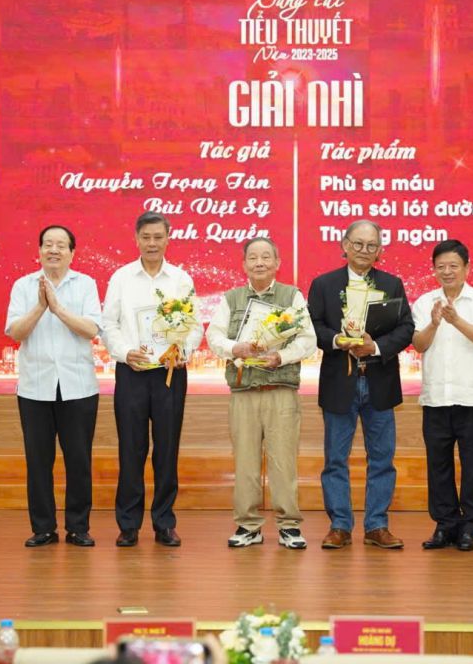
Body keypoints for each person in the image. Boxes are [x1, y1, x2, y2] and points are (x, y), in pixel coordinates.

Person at [307, 220, 414, 550]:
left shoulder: (392, 284)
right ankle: (340, 525)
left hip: (379, 382)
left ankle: (377, 526)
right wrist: (339, 340)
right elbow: (313, 327)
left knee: (382, 458)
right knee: (335, 459)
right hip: (340, 382)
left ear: (380, 251)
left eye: (371, 246)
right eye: (358, 244)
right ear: (344, 245)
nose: (364, 250)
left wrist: (376, 348)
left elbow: (406, 327)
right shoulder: (324, 284)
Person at [205, 237, 317, 550]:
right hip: (244, 390)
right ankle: (248, 525)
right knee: (245, 462)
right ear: (244, 264)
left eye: (266, 257)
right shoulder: (231, 298)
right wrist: (234, 348)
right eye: (253, 257)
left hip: (280, 389)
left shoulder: (291, 296)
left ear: (277, 263)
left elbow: (308, 340)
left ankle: (289, 526)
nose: (259, 263)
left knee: (283, 461)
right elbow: (213, 335)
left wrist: (280, 356)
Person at [101, 211, 203, 547]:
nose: (152, 243)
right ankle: (128, 524)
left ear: (168, 238)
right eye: (146, 237)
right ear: (136, 238)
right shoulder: (121, 277)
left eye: (158, 237)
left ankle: (164, 522)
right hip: (132, 372)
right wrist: (125, 351)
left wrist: (182, 349)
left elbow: (195, 326)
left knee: (166, 449)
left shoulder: (180, 279)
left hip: (170, 374)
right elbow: (109, 324)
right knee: (131, 449)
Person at [5, 224, 103, 548]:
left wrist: (58, 308)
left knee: (78, 460)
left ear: (72, 253)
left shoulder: (85, 285)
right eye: (48, 244)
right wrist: (39, 307)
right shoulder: (23, 286)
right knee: (38, 461)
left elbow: (91, 329)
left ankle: (78, 527)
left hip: (78, 387)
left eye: (61, 245)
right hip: (35, 388)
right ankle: (43, 528)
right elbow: (16, 332)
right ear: (39, 250)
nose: (54, 250)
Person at [411, 239, 473, 552]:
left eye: (453, 266)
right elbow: (419, 344)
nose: (447, 272)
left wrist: (455, 319)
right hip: (435, 399)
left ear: (466, 268)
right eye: (441, 266)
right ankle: (445, 525)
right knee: (439, 465)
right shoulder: (424, 302)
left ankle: (469, 526)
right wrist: (434, 323)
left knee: (472, 465)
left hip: (472, 399)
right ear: (433, 269)